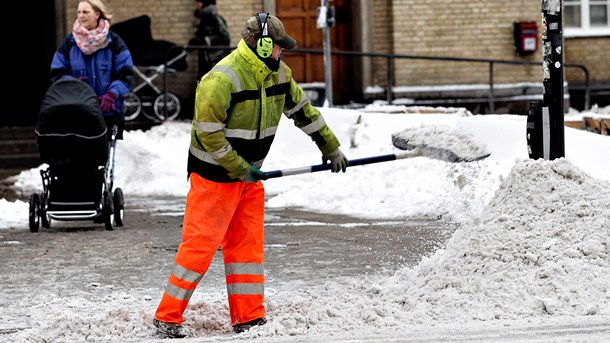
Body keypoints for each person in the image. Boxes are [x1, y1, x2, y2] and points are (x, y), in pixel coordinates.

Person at [153, 13, 349, 338]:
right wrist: (239, 167)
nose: (282, 52)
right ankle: (167, 316)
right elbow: (209, 136)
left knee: (247, 248)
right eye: (278, 47)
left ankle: (248, 316)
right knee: (200, 247)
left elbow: (304, 112)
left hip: (249, 178)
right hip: (214, 178)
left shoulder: (278, 74)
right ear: (262, 45)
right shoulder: (221, 80)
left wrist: (329, 146)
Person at [49, 0, 134, 139]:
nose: (81, 16)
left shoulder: (114, 42)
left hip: (108, 113)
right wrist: (73, 84)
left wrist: (112, 94)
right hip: (78, 112)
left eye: (85, 12)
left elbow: (126, 73)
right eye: (79, 12)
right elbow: (56, 73)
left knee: (104, 157)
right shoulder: (68, 43)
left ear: (97, 14)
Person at [189, 0, 231, 79]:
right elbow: (201, 35)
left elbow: (225, 37)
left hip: (216, 57)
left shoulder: (214, 18)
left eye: (198, 2)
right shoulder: (202, 18)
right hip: (205, 56)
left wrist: (207, 40)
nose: (196, 5)